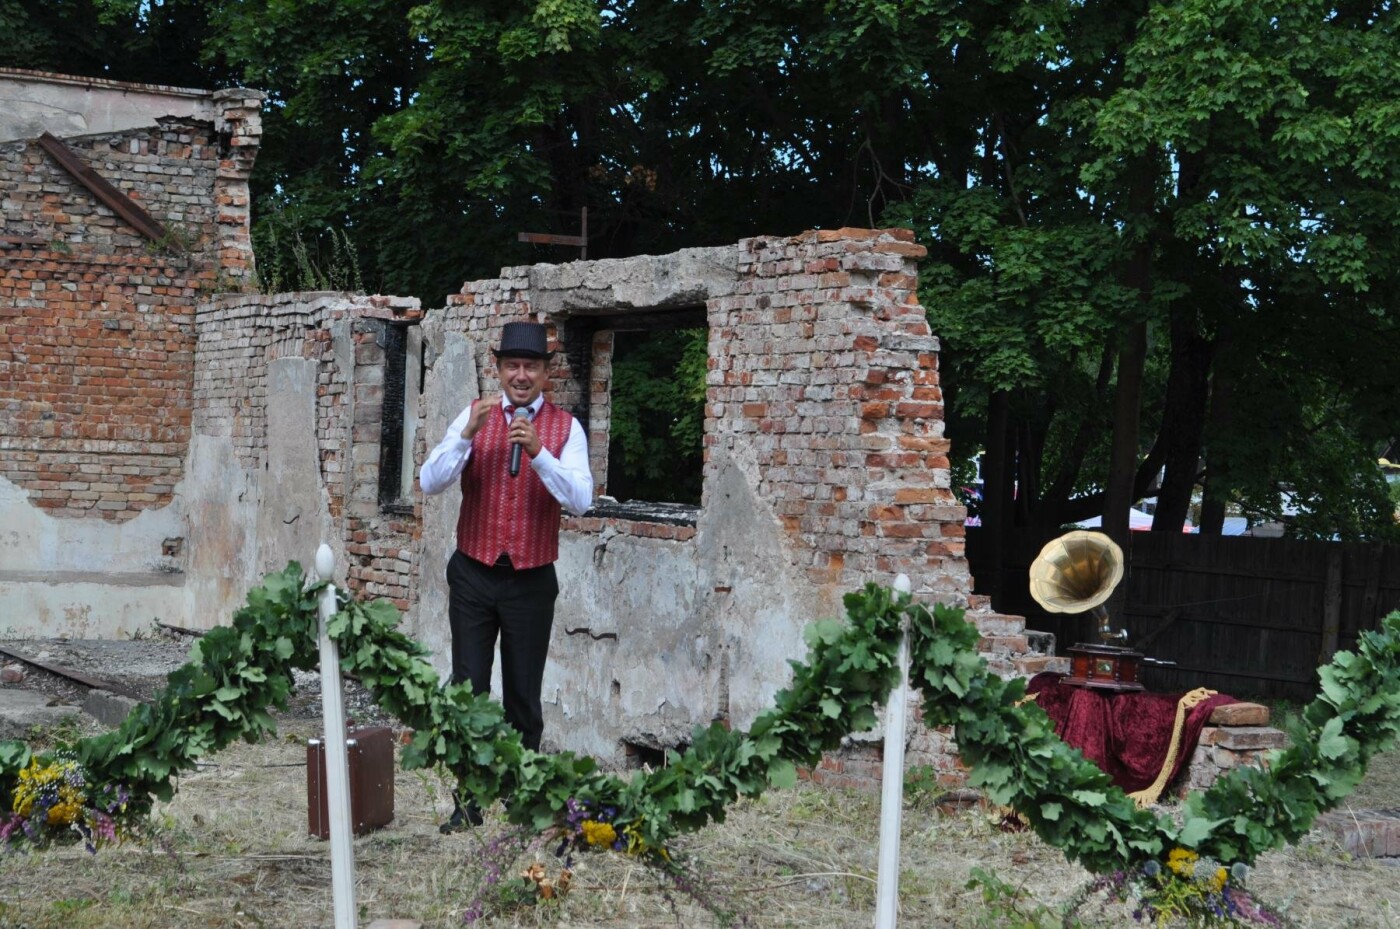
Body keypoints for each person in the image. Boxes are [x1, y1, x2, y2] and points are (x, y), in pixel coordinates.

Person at [420, 321, 594, 831]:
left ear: (546, 373)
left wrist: (540, 454)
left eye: (531, 366)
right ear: (497, 370)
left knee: (523, 696)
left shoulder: (567, 429)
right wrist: (465, 438)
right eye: (512, 366)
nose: (521, 375)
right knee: (468, 689)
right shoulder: (472, 417)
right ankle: (467, 805)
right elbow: (430, 482)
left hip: (531, 579)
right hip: (473, 572)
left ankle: (524, 804)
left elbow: (581, 501)